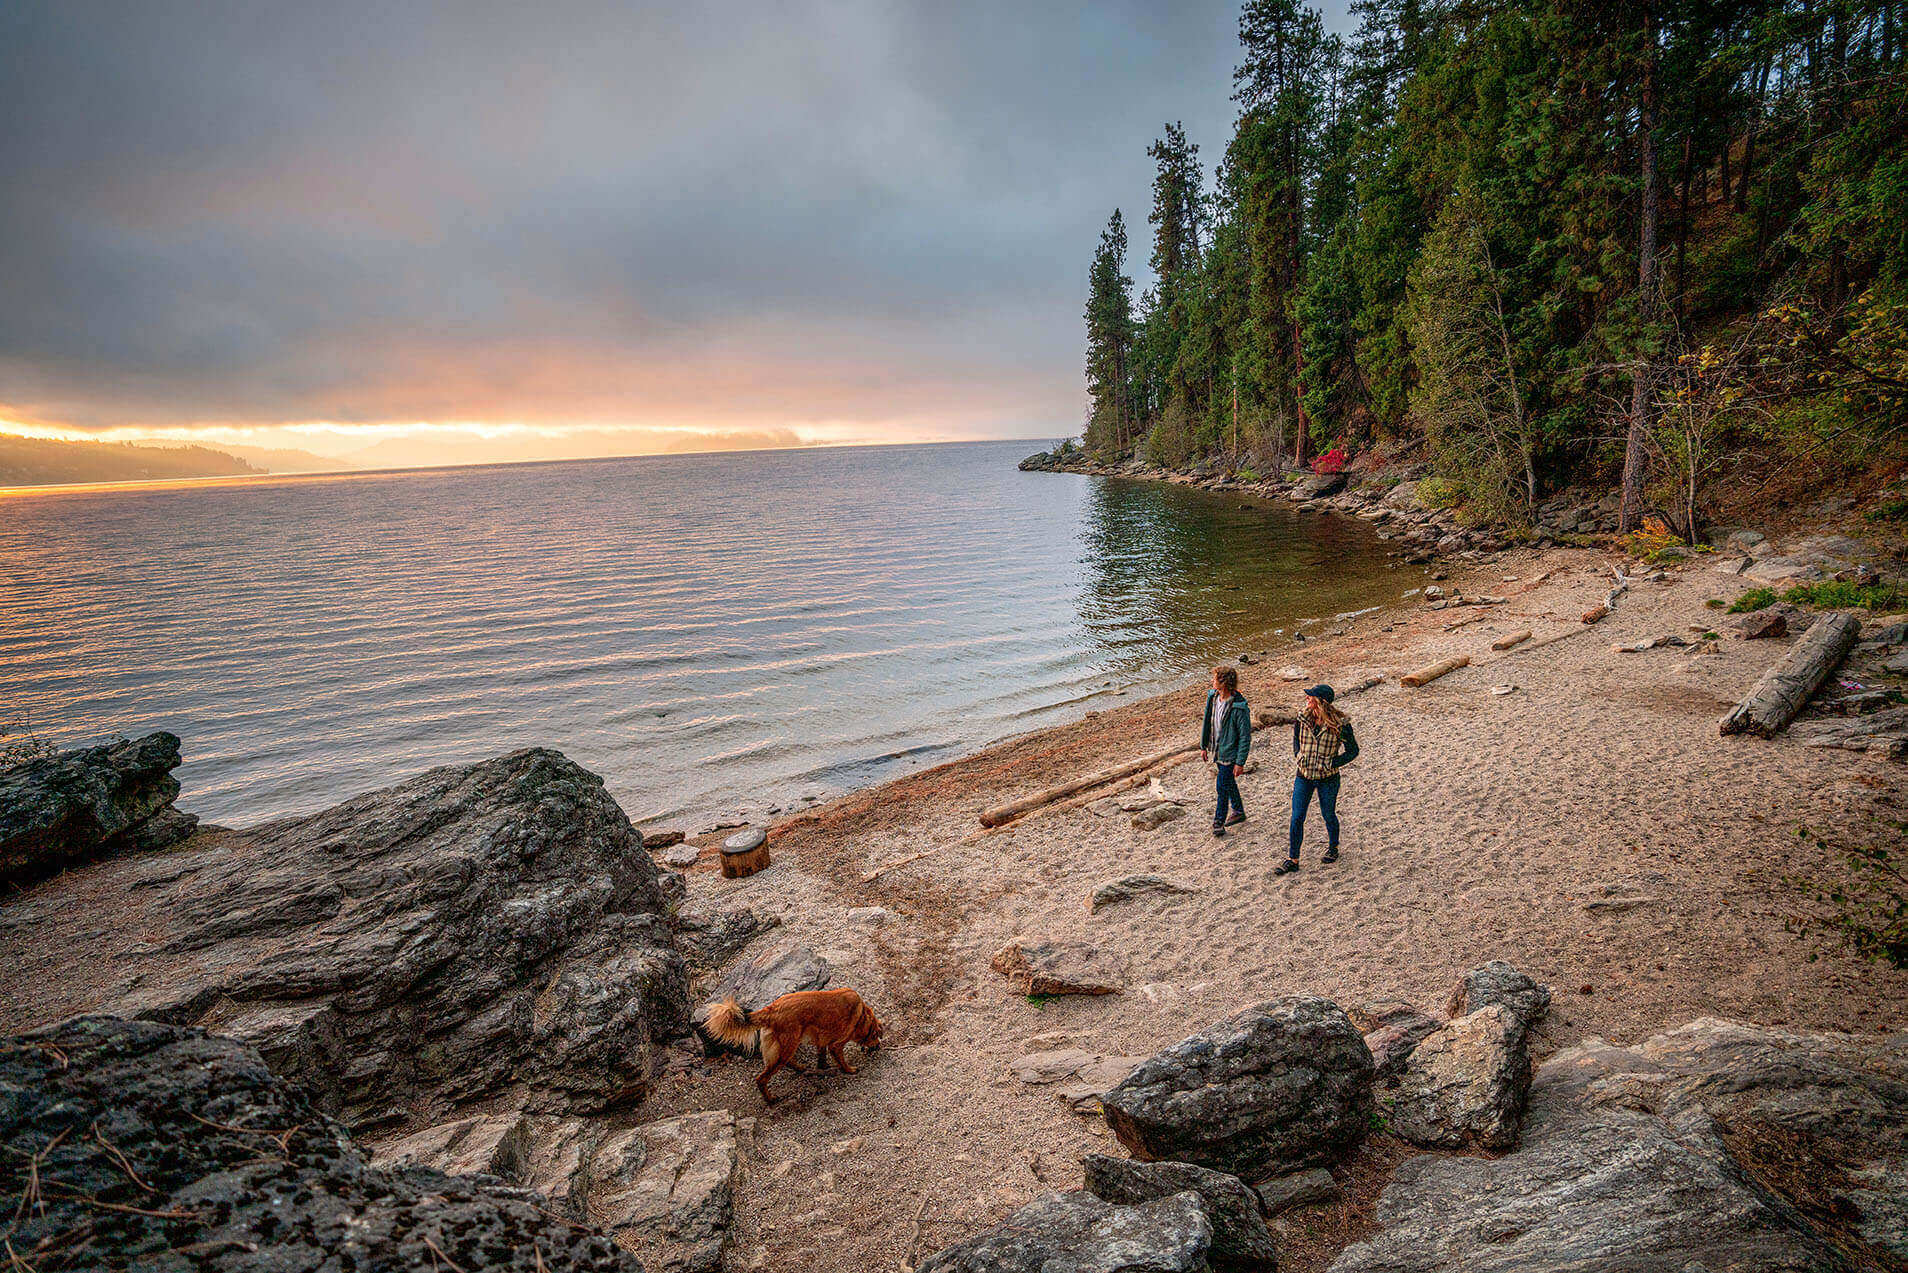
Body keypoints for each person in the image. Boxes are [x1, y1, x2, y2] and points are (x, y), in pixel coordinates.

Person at [1277, 683, 1358, 874]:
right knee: (1297, 817)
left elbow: (1353, 751)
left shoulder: (1340, 723)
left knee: (1328, 814)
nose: (1307, 698)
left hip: (1328, 778)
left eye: (1311, 696)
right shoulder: (1302, 717)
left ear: (1321, 702)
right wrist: (1298, 755)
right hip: (1303, 775)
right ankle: (1293, 859)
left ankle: (1333, 847)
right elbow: (1296, 739)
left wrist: (1333, 763)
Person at [1200, 665, 1251, 837]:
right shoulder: (1213, 697)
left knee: (1221, 786)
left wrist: (1240, 762)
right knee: (1228, 782)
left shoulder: (1239, 708)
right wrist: (1203, 746)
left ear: (1223, 682)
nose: (1212, 682)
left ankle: (1218, 821)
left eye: (1214, 679)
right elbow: (1207, 721)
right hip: (1216, 749)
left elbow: (1245, 737)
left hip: (1230, 753)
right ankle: (1238, 810)